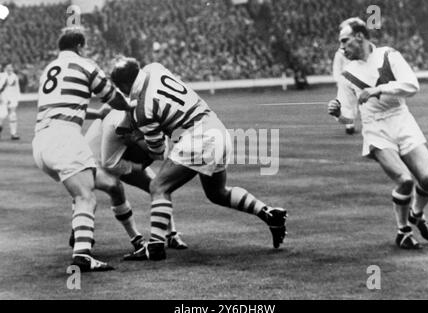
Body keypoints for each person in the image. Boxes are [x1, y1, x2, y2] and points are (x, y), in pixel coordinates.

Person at [110, 57, 287, 261]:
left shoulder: (143, 110)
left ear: (124, 84)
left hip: (198, 136)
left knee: (159, 187)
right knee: (217, 193)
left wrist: (135, 138)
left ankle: (156, 245)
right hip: (217, 129)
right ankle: (269, 214)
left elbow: (158, 151)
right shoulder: (154, 68)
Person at [327, 19, 428, 249]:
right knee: (405, 180)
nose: (342, 48)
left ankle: (416, 214)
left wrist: (379, 88)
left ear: (360, 37)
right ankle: (403, 230)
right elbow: (349, 116)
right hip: (375, 128)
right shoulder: (347, 74)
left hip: (402, 120)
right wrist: (338, 113)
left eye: (345, 41)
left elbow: (412, 85)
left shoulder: (388, 55)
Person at [32, 27, 132, 272]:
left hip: (41, 141)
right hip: (65, 138)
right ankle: (82, 255)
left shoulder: (49, 70)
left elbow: (61, 104)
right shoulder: (85, 65)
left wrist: (95, 114)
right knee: (85, 197)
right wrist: (130, 107)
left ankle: (79, 233)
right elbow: (113, 97)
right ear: (79, 46)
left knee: (96, 187)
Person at [83, 108, 189, 255]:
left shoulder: (149, 121)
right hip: (95, 157)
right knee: (114, 188)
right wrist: (139, 164)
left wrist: (139, 146)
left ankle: (171, 235)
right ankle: (136, 240)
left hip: (119, 154)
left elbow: (160, 154)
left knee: (157, 187)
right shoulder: (115, 123)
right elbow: (108, 163)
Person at [331, 18, 363, 135]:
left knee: (363, 103)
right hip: (346, 81)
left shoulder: (359, 52)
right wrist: (339, 81)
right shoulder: (339, 54)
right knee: (347, 104)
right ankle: (350, 125)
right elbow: (336, 69)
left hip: (358, 80)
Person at [0, 64, 21, 140]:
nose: (10, 68)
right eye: (8, 67)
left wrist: (17, 97)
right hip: (3, 98)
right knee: (2, 115)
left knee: (13, 115)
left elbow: (17, 88)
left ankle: (13, 134)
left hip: (12, 99)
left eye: (11, 67)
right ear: (5, 68)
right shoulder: (2, 76)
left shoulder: (14, 76)